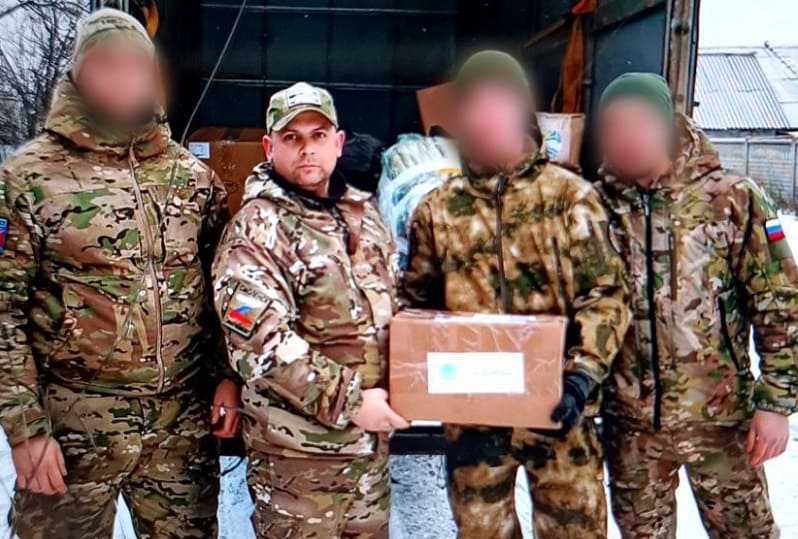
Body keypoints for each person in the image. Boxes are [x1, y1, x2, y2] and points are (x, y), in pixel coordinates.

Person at [0, 9, 236, 538]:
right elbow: (2, 310)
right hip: (74, 425)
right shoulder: (26, 178)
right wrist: (25, 428)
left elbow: (222, 289)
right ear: (78, 73)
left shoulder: (190, 177)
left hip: (179, 426)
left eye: (136, 65)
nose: (123, 78)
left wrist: (226, 375)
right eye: (107, 64)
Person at [402, 50, 630, 539]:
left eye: (499, 101)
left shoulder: (571, 198)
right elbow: (416, 307)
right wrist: (414, 377)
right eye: (474, 105)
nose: (486, 116)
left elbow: (607, 295)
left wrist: (582, 376)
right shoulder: (438, 210)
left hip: (560, 412)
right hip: (473, 420)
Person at [596, 72, 798, 539]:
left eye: (639, 123)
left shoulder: (731, 198)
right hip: (631, 430)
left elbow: (781, 303)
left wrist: (776, 402)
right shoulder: (597, 206)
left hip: (720, 423)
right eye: (615, 125)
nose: (627, 136)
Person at [211, 81, 408, 539]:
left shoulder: (365, 217)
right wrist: (353, 402)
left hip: (368, 457)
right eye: (292, 137)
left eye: (318, 136)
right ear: (269, 147)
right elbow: (261, 344)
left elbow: (393, 309)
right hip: (298, 466)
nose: (307, 149)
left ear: (338, 143)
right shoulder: (256, 230)